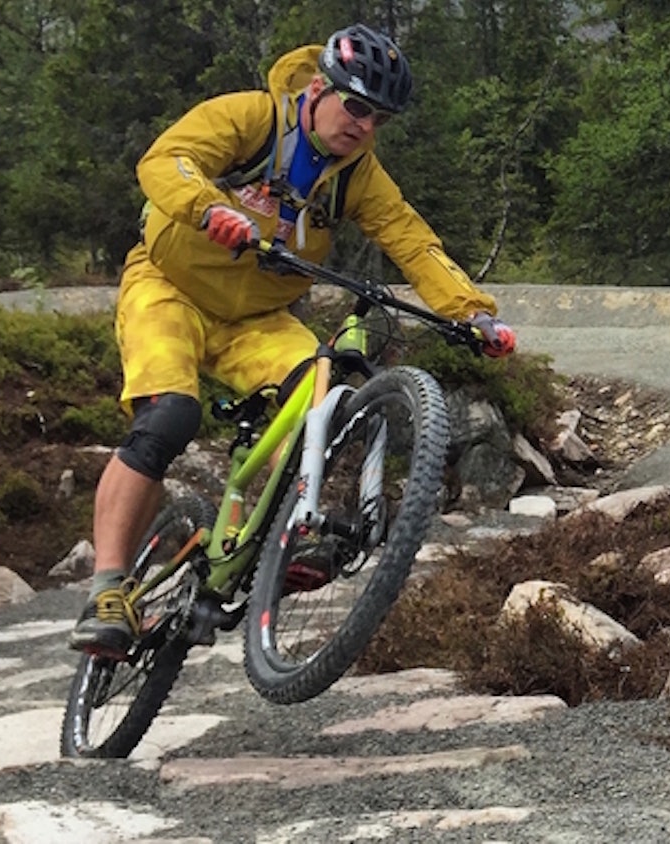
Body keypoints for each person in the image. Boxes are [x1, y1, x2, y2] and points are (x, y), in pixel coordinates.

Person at [69, 24, 516, 656]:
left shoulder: (357, 175)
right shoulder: (250, 118)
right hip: (169, 289)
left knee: (320, 395)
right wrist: (207, 208)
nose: (362, 125)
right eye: (355, 105)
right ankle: (107, 589)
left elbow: (412, 239)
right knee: (168, 418)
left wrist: (473, 314)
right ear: (318, 87)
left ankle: (289, 531)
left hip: (257, 320)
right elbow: (166, 159)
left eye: (378, 117)